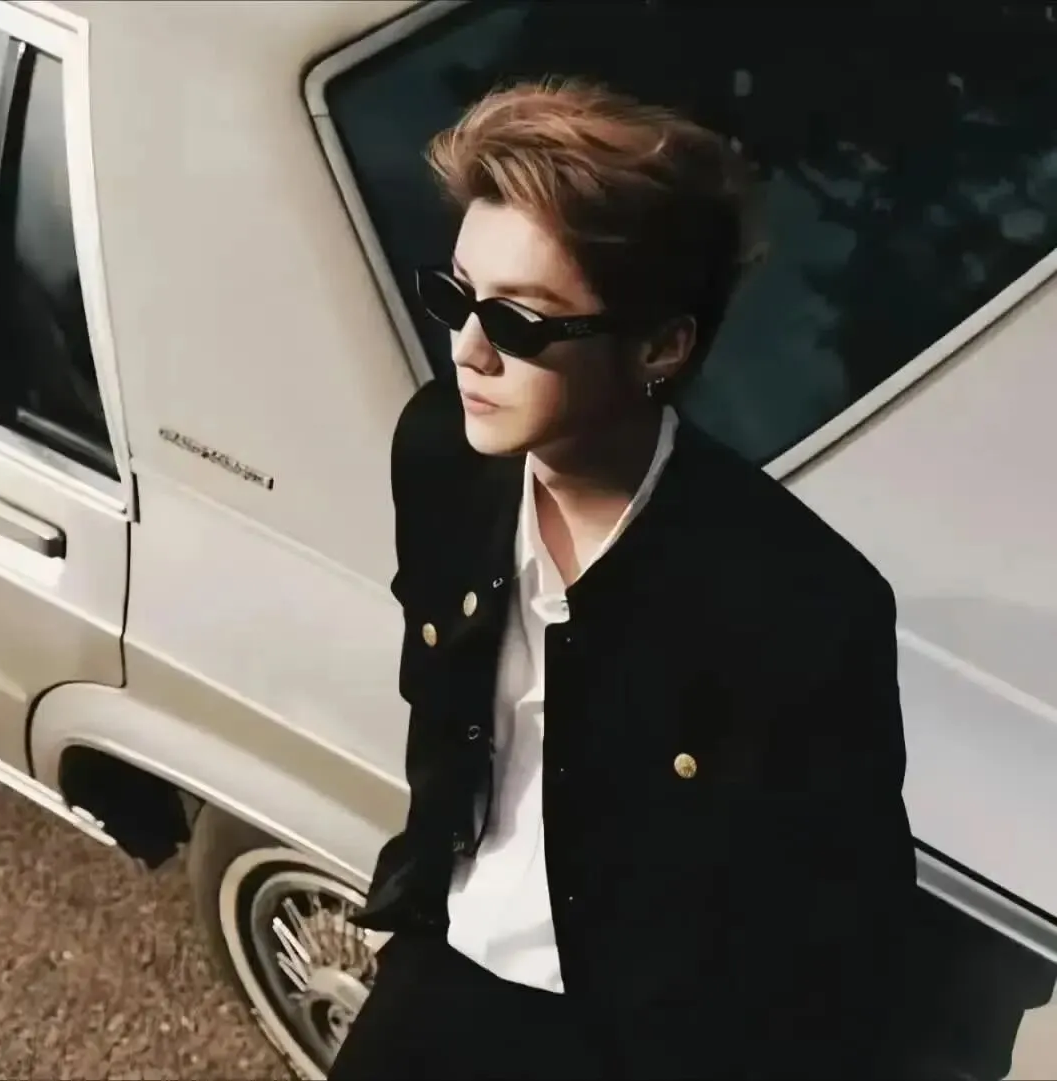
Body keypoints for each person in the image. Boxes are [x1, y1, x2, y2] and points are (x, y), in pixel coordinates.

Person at [329, 78, 917, 1081]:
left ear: (659, 345)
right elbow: (443, 700)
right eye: (454, 296)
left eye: (519, 321)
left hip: (647, 1041)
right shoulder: (440, 449)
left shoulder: (801, 601)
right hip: (447, 958)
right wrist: (419, 899)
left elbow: (840, 918)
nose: (467, 350)